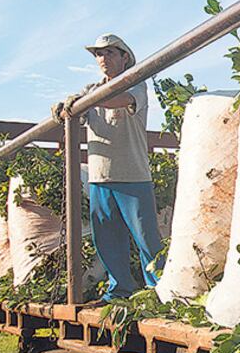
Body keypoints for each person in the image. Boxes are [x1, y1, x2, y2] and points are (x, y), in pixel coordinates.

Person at [52, 33, 163, 302]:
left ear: (125, 57)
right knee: (107, 238)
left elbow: (116, 100)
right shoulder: (90, 90)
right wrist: (66, 107)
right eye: (99, 54)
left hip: (132, 175)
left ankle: (160, 291)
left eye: (110, 53)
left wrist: (83, 101)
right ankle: (120, 290)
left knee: (146, 238)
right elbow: (76, 111)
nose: (103, 58)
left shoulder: (135, 84)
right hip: (100, 177)